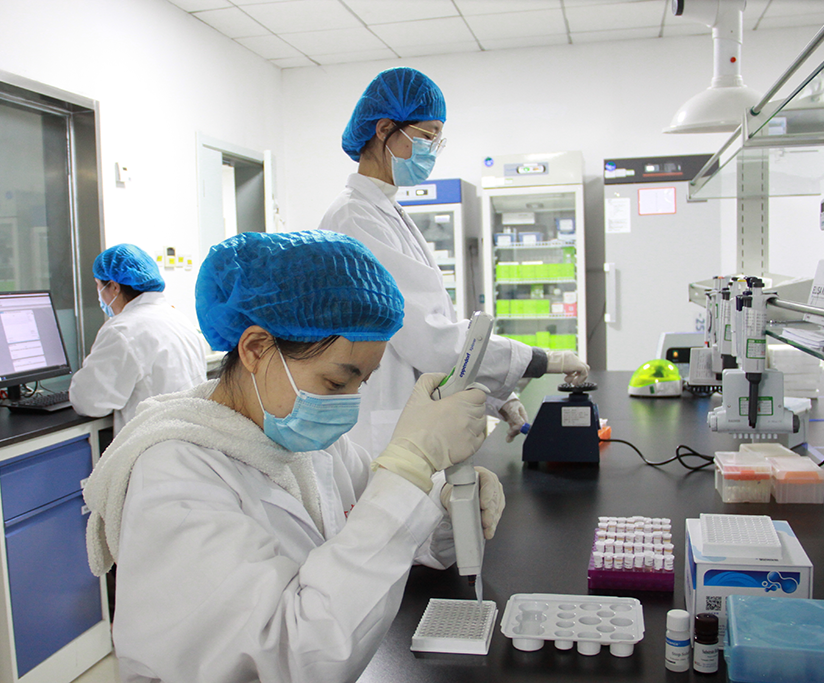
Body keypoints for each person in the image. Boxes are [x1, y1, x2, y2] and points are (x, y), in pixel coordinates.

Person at [82, 231, 505, 683]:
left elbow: (388, 534)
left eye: (362, 382)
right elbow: (296, 655)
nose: (349, 402)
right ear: (255, 349)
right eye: (336, 382)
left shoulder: (305, 443)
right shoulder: (176, 477)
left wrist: (444, 504)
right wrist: (409, 465)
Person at [319, 67, 589, 456]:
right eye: (428, 136)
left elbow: (436, 327)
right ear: (384, 129)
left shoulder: (385, 211)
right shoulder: (355, 218)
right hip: (382, 416)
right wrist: (541, 359)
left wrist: (499, 397)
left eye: (437, 140)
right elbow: (428, 338)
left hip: (410, 410)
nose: (432, 150)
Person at [69, 243, 207, 434]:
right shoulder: (178, 318)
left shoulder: (122, 330)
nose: (99, 296)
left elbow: (89, 402)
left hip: (156, 442)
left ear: (114, 287)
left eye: (99, 286)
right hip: (191, 435)